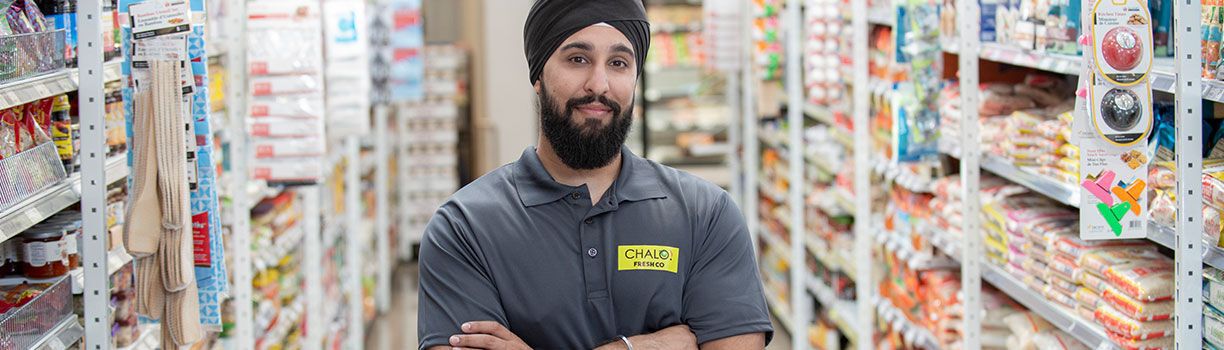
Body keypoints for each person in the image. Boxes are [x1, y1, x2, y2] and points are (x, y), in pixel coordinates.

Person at [416, 0, 773, 349]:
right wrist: (651, 344)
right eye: (578, 59)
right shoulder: (464, 228)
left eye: (618, 62)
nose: (599, 84)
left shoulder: (706, 214)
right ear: (538, 74)